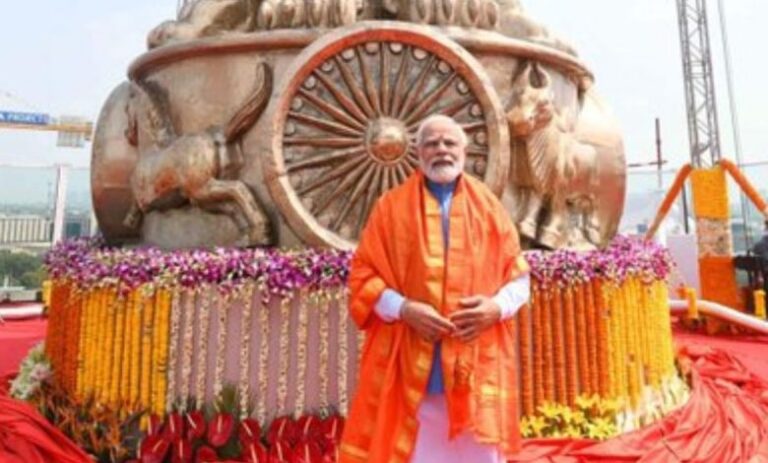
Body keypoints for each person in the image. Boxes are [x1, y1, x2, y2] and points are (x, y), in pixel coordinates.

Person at [339, 115, 530, 463]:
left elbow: (519, 278)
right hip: (411, 363)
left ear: (464, 150)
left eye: (449, 143)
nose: (441, 150)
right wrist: (404, 309)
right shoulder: (389, 208)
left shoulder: (489, 208)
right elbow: (362, 277)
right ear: (417, 152)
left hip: (474, 362)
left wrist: (495, 308)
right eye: (431, 143)